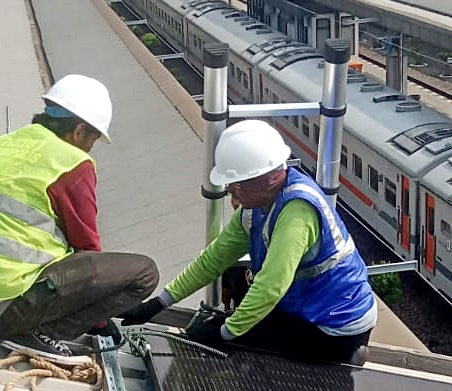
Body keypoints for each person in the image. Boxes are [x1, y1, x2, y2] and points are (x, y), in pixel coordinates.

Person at [0, 73, 159, 361]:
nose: (91, 148)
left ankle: (30, 323)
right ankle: (42, 333)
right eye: (92, 139)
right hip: (5, 310)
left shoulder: (4, 143)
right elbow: (88, 249)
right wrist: (99, 320)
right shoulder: (71, 162)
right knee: (144, 273)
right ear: (80, 131)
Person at [122, 120, 376, 364]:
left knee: (236, 343)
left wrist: (225, 333)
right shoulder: (254, 208)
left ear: (272, 178)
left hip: (336, 325)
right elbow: (214, 259)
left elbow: (270, 286)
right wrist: (160, 302)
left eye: (238, 183)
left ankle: (345, 356)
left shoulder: (297, 213)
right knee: (225, 327)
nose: (231, 190)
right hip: (306, 310)